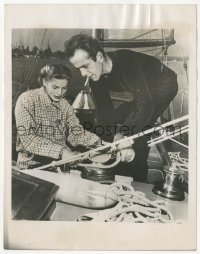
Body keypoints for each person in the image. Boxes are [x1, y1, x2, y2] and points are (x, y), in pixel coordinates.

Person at [64, 33, 178, 182]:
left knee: (139, 131)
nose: (84, 74)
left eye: (85, 66)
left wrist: (126, 138)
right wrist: (105, 142)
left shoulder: (128, 64)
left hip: (164, 85)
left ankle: (137, 178)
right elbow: (105, 111)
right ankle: (115, 164)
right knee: (118, 120)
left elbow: (146, 105)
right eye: (79, 69)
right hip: (142, 91)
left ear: (99, 56)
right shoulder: (95, 76)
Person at [15, 64, 102, 169]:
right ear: (44, 82)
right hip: (31, 167)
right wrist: (62, 151)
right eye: (55, 87)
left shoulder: (64, 105)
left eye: (64, 88)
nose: (59, 93)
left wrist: (97, 142)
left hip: (59, 166)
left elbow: (75, 133)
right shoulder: (27, 99)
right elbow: (29, 140)